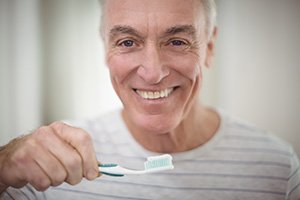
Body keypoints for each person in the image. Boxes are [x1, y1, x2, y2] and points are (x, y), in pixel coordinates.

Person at [0, 0, 299, 199]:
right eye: (127, 42)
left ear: (209, 47)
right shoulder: (46, 165)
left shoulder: (277, 166)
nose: (153, 73)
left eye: (178, 41)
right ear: (105, 50)